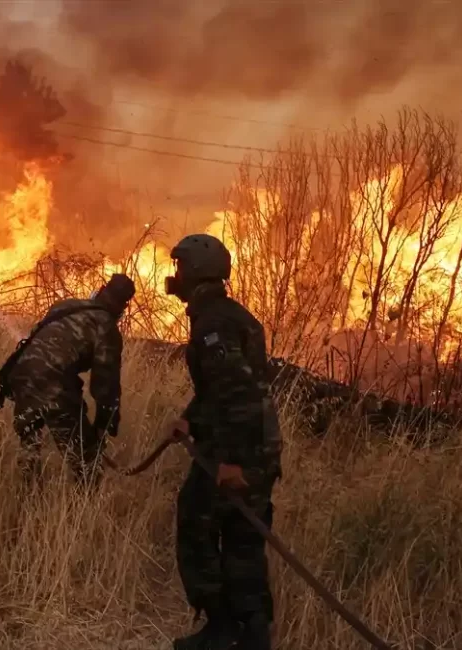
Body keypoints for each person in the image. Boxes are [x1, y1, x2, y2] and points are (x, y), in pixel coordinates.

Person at [163, 234, 283, 650]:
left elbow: (237, 392)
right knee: (242, 540)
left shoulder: (213, 322)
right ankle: (252, 634)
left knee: (196, 523)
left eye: (180, 267)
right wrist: (189, 419)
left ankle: (222, 628)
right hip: (258, 448)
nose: (173, 276)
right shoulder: (229, 315)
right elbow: (222, 389)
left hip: (237, 449)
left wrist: (232, 462)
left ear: (195, 270)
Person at [1, 273, 135, 487]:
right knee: (87, 464)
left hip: (21, 377)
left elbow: (37, 336)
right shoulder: (106, 328)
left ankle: (27, 506)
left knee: (30, 449)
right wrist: (104, 425)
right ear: (122, 307)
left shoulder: (65, 305)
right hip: (54, 386)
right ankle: (78, 517)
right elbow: (105, 386)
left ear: (99, 291)